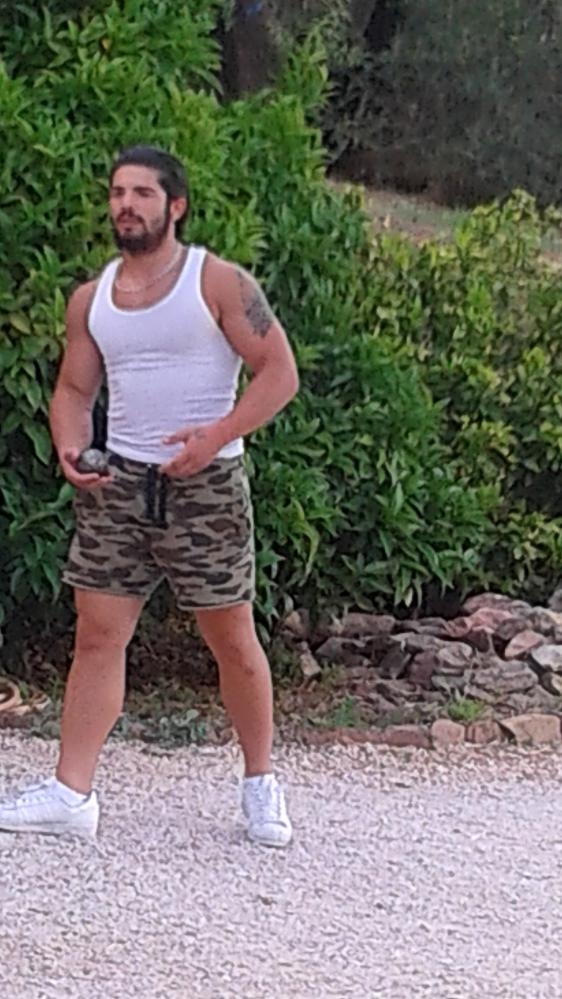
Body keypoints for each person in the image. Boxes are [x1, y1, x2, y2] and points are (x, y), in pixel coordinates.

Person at [0, 145, 299, 848]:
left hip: (206, 485)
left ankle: (260, 782)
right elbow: (75, 389)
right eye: (117, 193)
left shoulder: (216, 281)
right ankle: (72, 793)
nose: (126, 205)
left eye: (141, 193)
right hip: (119, 486)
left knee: (231, 638)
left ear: (176, 206)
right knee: (97, 635)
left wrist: (215, 435)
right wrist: (71, 447)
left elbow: (278, 372)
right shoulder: (92, 298)